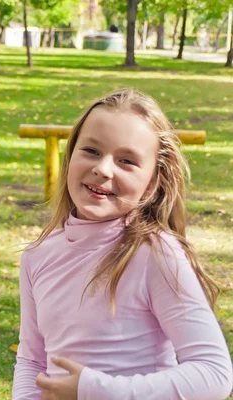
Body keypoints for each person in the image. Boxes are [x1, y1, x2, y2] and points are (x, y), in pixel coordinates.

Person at [12, 89, 233, 399]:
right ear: (70, 155)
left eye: (126, 160)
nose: (103, 169)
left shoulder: (156, 254)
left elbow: (214, 373)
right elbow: (32, 360)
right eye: (90, 150)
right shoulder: (38, 256)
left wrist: (95, 390)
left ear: (153, 181)